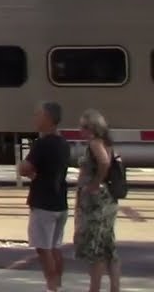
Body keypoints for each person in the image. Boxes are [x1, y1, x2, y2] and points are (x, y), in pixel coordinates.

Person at [17, 100, 72, 292]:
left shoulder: (42, 144)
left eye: (38, 114)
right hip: (60, 201)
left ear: (47, 118)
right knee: (55, 247)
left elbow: (24, 168)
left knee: (43, 248)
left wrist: (28, 170)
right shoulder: (63, 143)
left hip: (43, 203)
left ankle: (51, 287)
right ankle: (58, 284)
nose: (35, 118)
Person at [75, 108, 121, 292]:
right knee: (108, 246)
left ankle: (94, 288)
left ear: (91, 127)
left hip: (97, 203)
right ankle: (115, 287)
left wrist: (94, 183)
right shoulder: (106, 142)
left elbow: (104, 162)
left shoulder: (95, 143)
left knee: (96, 248)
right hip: (107, 199)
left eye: (83, 126)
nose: (80, 130)